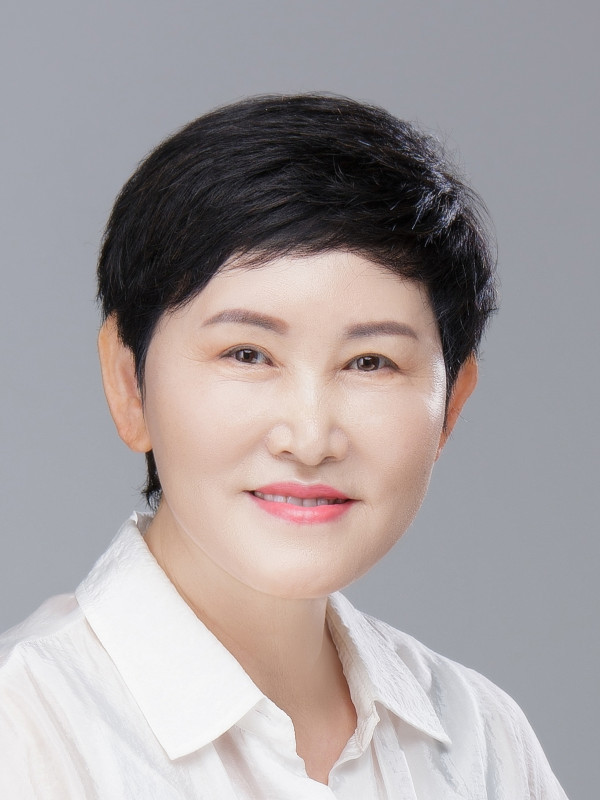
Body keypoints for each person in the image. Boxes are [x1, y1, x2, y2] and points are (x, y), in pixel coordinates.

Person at [0, 94, 568, 798]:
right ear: (128, 385)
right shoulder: (25, 730)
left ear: (451, 406)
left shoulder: (483, 741)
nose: (309, 439)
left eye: (370, 363)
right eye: (247, 354)